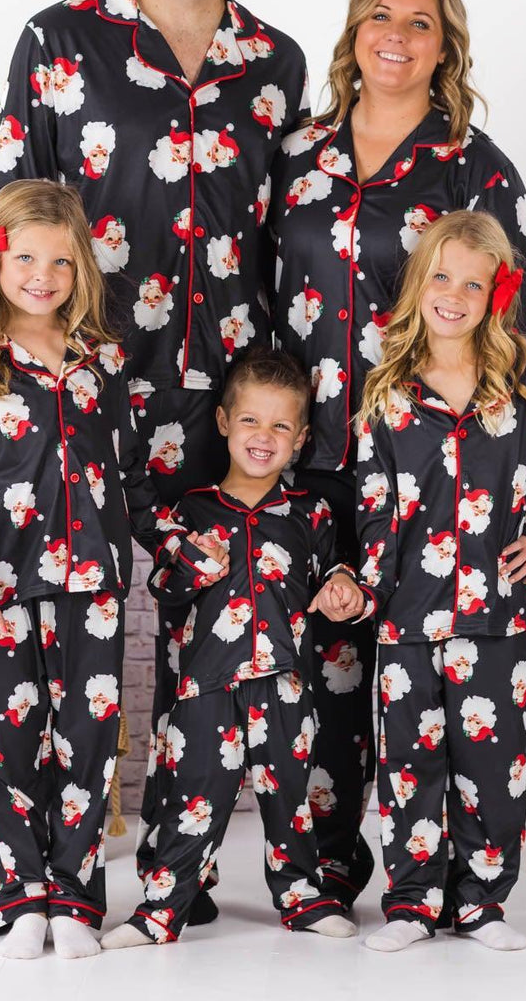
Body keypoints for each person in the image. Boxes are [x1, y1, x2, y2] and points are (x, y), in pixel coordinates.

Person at [0, 0, 308, 942]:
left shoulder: (275, 62)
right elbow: (13, 208)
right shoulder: (62, 39)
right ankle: (8, 876)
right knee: (31, 648)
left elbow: (286, 237)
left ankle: (173, 875)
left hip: (219, 397)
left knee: (207, 637)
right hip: (79, 384)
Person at [268, 0, 526, 908]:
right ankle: (325, 870)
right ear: (355, 31)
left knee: (425, 683)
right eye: (381, 15)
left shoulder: (475, 167)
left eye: (420, 22)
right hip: (306, 454)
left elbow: (512, 330)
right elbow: (253, 290)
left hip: (427, 467)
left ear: (446, 46)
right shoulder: (298, 153)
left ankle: (450, 884)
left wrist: (521, 498)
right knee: (321, 670)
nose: (397, 34)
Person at [0, 181, 228, 961]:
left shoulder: (101, 363)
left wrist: (174, 543)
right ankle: (21, 897)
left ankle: (74, 898)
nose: (43, 276)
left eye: (61, 263)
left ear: (81, 271)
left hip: (94, 587)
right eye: (26, 259)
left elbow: (128, 477)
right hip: (3, 587)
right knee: (10, 742)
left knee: (87, 743)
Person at [354, 211, 526, 951]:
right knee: (410, 763)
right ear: (419, 282)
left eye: (473, 284)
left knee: (492, 762)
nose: (454, 295)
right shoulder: (388, 390)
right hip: (406, 615)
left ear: (497, 295)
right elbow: (372, 503)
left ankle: (482, 904)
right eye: (442, 277)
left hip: (495, 612)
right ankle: (412, 904)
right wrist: (369, 591)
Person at [102, 348, 364, 948]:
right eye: (250, 420)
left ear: (300, 438)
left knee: (290, 799)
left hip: (285, 684)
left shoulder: (310, 513)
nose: (263, 436)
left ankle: (302, 897)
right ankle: (161, 911)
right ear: (223, 421)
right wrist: (193, 567)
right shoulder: (190, 512)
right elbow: (163, 589)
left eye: (280, 425)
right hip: (206, 687)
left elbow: (336, 571)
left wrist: (342, 586)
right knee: (192, 798)